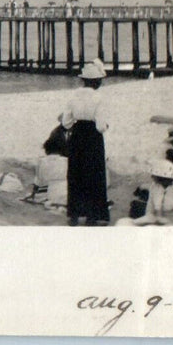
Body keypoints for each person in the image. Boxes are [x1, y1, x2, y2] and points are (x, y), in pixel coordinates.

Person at [63, 58, 111, 226]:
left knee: (76, 173)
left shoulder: (73, 96)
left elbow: (66, 122)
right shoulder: (99, 98)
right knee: (94, 174)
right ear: (96, 81)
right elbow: (100, 126)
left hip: (77, 134)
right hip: (92, 135)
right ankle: (93, 215)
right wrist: (105, 126)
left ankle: (74, 214)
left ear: (84, 80)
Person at [116, 159, 173, 226]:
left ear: (162, 177)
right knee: (122, 222)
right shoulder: (154, 187)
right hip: (154, 221)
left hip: (170, 225)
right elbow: (149, 211)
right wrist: (143, 221)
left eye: (154, 175)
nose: (152, 177)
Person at [24, 123, 69, 209]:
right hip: (66, 193)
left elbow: (38, 182)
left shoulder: (41, 162)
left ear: (46, 150)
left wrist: (33, 195)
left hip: (51, 193)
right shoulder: (66, 161)